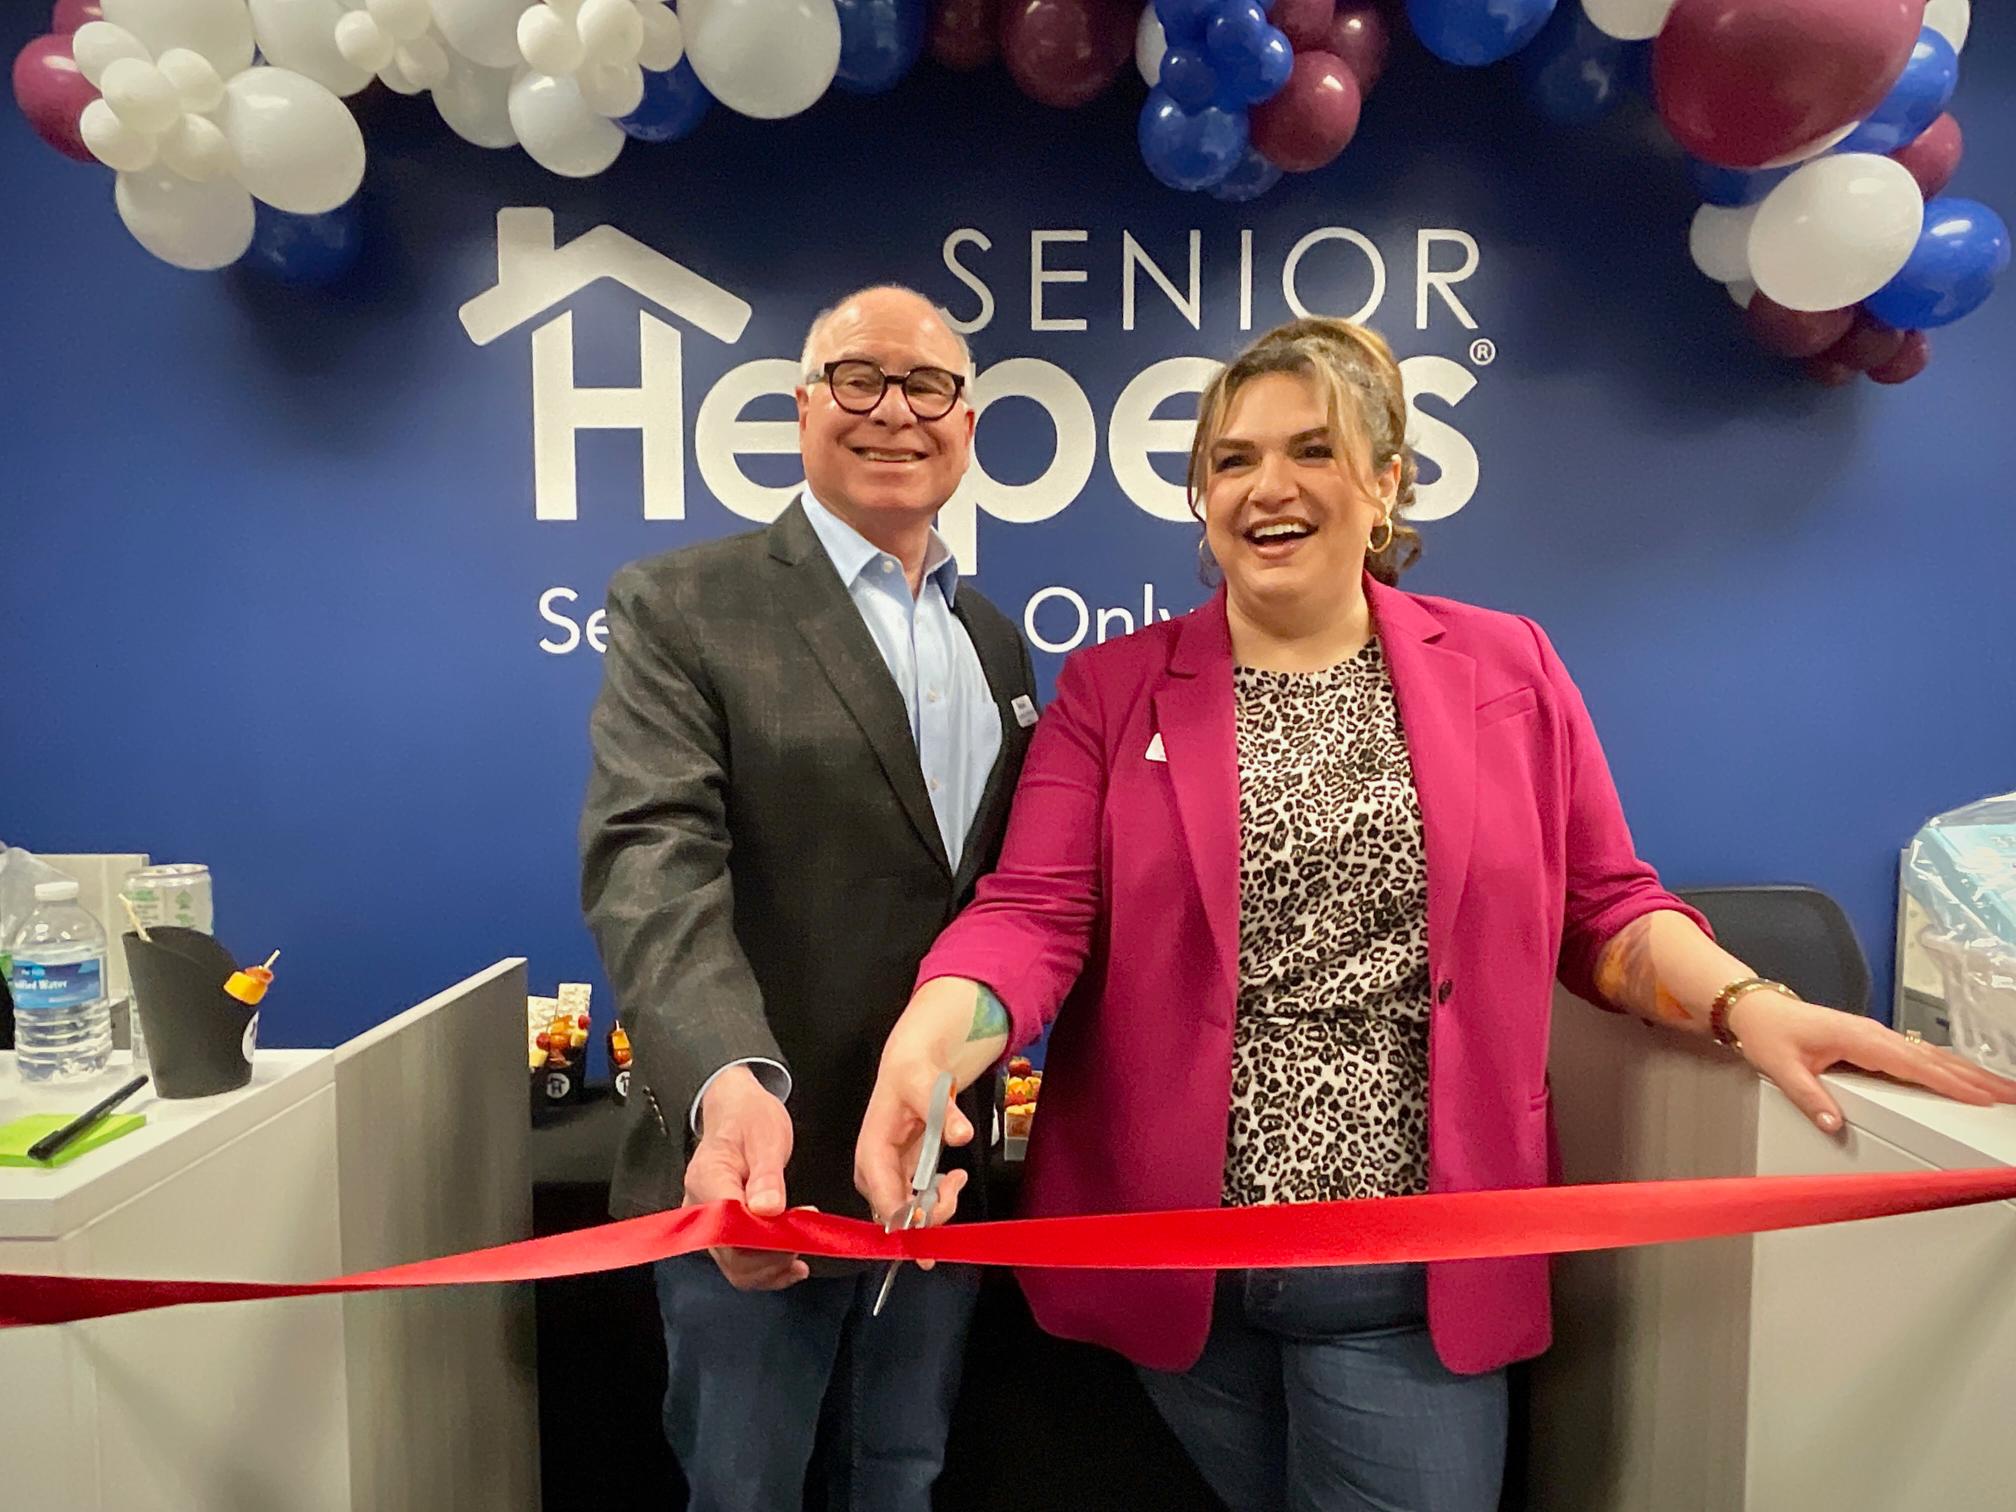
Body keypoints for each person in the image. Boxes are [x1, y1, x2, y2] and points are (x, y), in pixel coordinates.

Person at [855, 316, 2016, 1511]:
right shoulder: (1116, 687)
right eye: (1233, 459)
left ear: (1386, 482)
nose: (1267, 486)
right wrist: (934, 1038)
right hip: (1179, 1263)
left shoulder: (1507, 668)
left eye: (1312, 450)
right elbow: (1036, 911)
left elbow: (1605, 907)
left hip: (1409, 1266)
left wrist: (1746, 1003)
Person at [581, 285, 1039, 1512]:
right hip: (753, 1180)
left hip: (933, 1179)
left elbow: (1006, 900)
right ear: (800, 410)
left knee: (903, 1478)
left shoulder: (994, 641)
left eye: (927, 386)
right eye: (858, 378)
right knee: (746, 1492)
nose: (893, 410)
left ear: (967, 424)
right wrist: (730, 1091)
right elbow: (652, 864)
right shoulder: (684, 604)